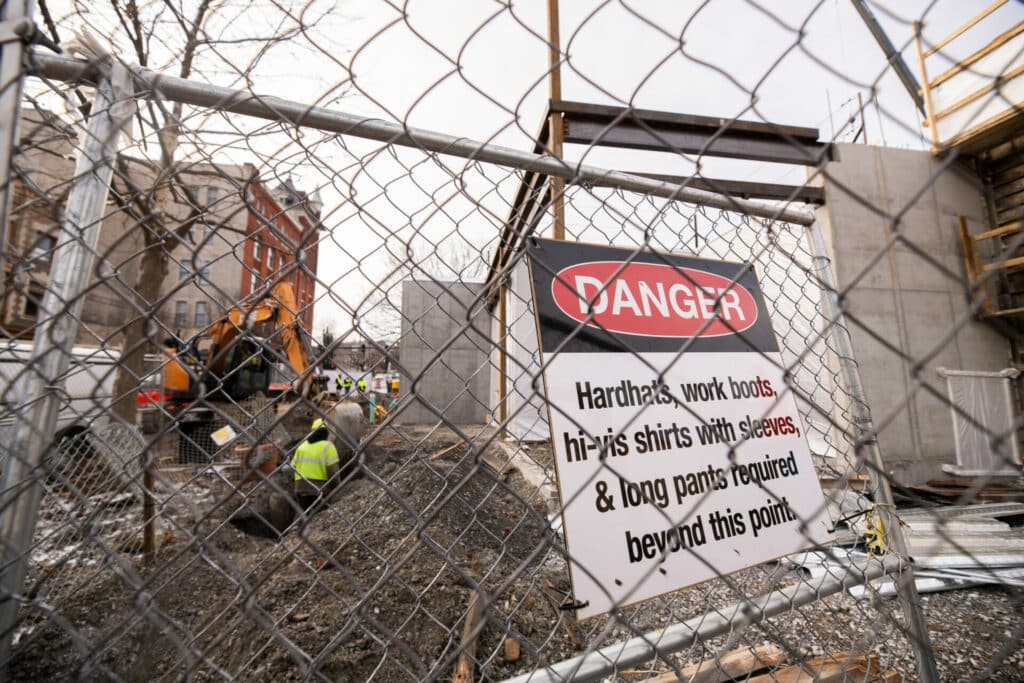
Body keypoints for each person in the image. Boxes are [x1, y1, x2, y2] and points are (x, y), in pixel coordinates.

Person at [291, 418, 339, 512]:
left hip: (300, 488)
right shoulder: (328, 447)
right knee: (320, 515)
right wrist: (337, 487)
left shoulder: (302, 447)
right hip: (319, 488)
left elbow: (293, 467)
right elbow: (333, 472)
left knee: (304, 514)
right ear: (326, 433)